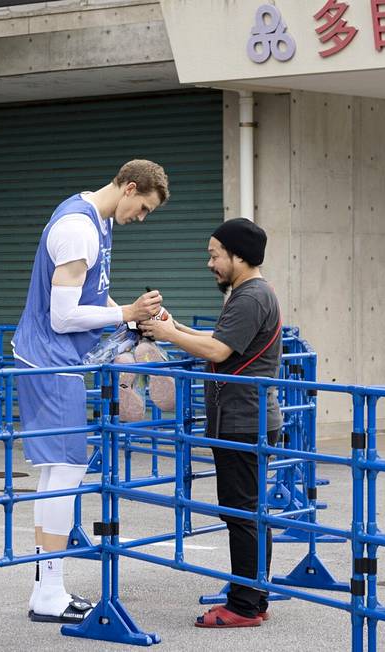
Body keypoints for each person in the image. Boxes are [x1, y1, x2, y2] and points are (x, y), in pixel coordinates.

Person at [11, 160, 169, 623]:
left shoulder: (91, 217)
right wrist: (126, 312)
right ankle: (49, 592)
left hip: (50, 360)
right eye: (142, 208)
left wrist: (124, 317)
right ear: (130, 187)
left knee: (56, 472)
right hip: (51, 361)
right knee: (66, 471)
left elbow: (82, 303)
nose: (141, 218)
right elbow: (62, 316)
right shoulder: (80, 228)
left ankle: (47, 588)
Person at [137, 218, 283, 628]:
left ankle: (244, 604)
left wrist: (170, 333)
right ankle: (253, 594)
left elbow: (218, 348)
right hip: (243, 418)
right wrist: (174, 327)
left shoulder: (251, 296)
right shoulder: (247, 293)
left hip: (243, 419)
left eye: (215, 254)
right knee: (248, 511)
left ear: (239, 256)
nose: (209, 263)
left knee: (242, 513)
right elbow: (221, 340)